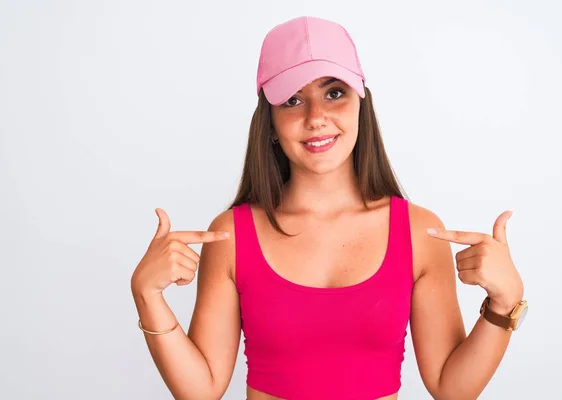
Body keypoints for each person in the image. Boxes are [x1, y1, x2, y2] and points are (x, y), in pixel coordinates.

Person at [130, 16, 528, 400]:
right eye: (292, 100)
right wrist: (148, 296)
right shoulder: (231, 235)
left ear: (361, 103)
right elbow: (201, 390)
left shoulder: (418, 232)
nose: (316, 117)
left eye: (334, 92)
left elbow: (452, 388)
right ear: (269, 122)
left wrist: (504, 305)